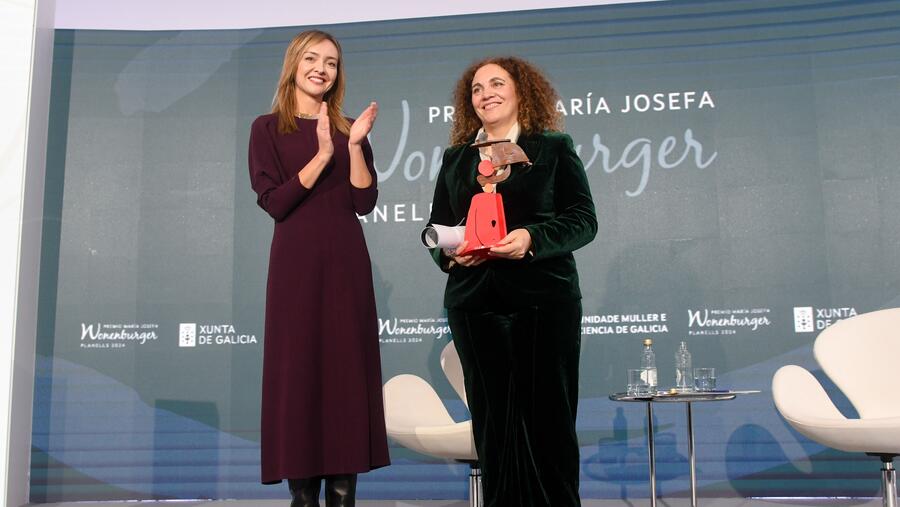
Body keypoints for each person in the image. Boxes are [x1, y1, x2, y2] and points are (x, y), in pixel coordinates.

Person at [427, 56, 597, 506]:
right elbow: (438, 228)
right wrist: (451, 254)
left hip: (543, 302)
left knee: (548, 423)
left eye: (497, 84)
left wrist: (530, 238)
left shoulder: (553, 147)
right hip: (474, 305)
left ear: (522, 91)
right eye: (477, 89)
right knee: (494, 427)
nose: (486, 94)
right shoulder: (456, 158)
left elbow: (583, 220)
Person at [248, 30, 389, 507]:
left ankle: (344, 495)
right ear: (294, 64)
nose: (321, 69)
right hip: (295, 269)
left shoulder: (351, 128)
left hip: (346, 265)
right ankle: (302, 496)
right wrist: (322, 154)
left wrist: (351, 147)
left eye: (331, 62)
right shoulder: (266, 128)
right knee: (299, 377)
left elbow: (364, 201)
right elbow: (275, 201)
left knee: (346, 378)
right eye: (312, 58)